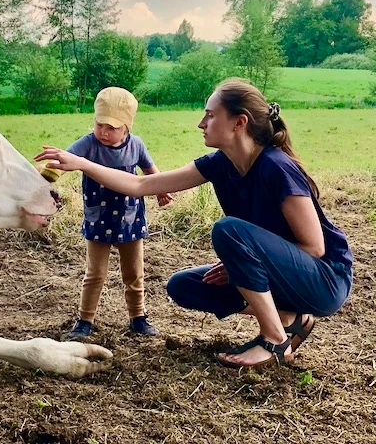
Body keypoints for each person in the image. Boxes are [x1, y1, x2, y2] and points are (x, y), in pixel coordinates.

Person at [35, 78, 353, 368]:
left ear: (239, 122)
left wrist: (249, 264)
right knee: (184, 286)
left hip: (323, 280)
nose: (201, 123)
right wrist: (80, 163)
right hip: (287, 276)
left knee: (228, 230)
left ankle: (275, 341)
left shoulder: (276, 167)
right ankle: (289, 318)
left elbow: (314, 247)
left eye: (210, 115)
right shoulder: (219, 164)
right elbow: (142, 185)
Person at [41, 87, 171, 341]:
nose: (103, 132)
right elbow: (61, 163)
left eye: (111, 128)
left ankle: (138, 318)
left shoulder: (136, 145)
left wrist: (161, 190)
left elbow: (150, 170)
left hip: (130, 219)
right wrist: (40, 180)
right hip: (97, 219)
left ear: (127, 127)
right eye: (99, 124)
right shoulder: (88, 143)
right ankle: (84, 321)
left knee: (134, 273)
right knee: (95, 274)